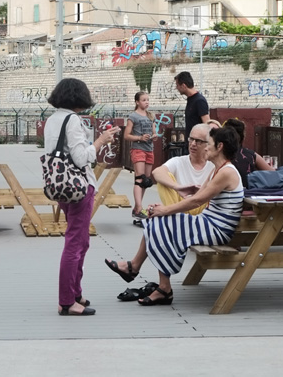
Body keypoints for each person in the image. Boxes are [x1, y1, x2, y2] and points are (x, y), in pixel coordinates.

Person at [104, 126, 243, 305]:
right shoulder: (219, 169)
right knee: (158, 220)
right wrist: (167, 206)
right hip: (208, 222)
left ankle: (152, 280)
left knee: (161, 219)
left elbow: (196, 202)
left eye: (207, 144)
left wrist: (165, 210)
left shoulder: (226, 172)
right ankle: (154, 281)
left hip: (217, 228)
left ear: (220, 147)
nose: (205, 148)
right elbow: (200, 195)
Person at [44, 78, 120, 316]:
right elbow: (81, 158)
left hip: (62, 186)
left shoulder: (52, 120)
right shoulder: (73, 120)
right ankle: (67, 301)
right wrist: (100, 141)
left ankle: (75, 292)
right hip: (79, 187)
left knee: (80, 240)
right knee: (75, 243)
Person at [151, 123, 214, 216]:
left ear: (208, 144)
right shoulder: (179, 161)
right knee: (164, 180)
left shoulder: (213, 165)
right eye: (191, 139)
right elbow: (157, 172)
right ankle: (176, 217)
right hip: (178, 206)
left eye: (198, 141)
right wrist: (177, 187)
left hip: (201, 207)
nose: (193, 144)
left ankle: (175, 218)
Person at [124, 91, 156, 221]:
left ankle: (137, 209)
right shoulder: (133, 116)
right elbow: (126, 135)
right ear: (137, 102)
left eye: (148, 100)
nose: (146, 102)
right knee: (139, 178)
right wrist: (140, 138)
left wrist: (154, 136)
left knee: (146, 181)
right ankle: (138, 207)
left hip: (149, 149)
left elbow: (154, 132)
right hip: (138, 149)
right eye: (144, 100)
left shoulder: (151, 116)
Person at [222, 118, 274, 188]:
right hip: (249, 193)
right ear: (243, 136)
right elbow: (272, 173)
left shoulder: (218, 155)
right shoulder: (251, 155)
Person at [174, 71, 209, 149]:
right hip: (191, 144)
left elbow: (207, 123)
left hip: (197, 146)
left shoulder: (199, 101)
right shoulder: (191, 99)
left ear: (183, 86)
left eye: (177, 85)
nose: (176, 88)